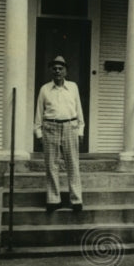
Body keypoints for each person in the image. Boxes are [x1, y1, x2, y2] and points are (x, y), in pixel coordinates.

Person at [33, 55, 85, 214]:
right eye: (54, 68)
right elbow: (39, 114)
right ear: (51, 71)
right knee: (51, 165)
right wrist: (39, 133)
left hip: (70, 126)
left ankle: (76, 200)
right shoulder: (44, 89)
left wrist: (81, 129)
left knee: (73, 165)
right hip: (50, 128)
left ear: (65, 71)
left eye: (60, 68)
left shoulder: (73, 87)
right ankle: (53, 200)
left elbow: (79, 110)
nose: (57, 71)